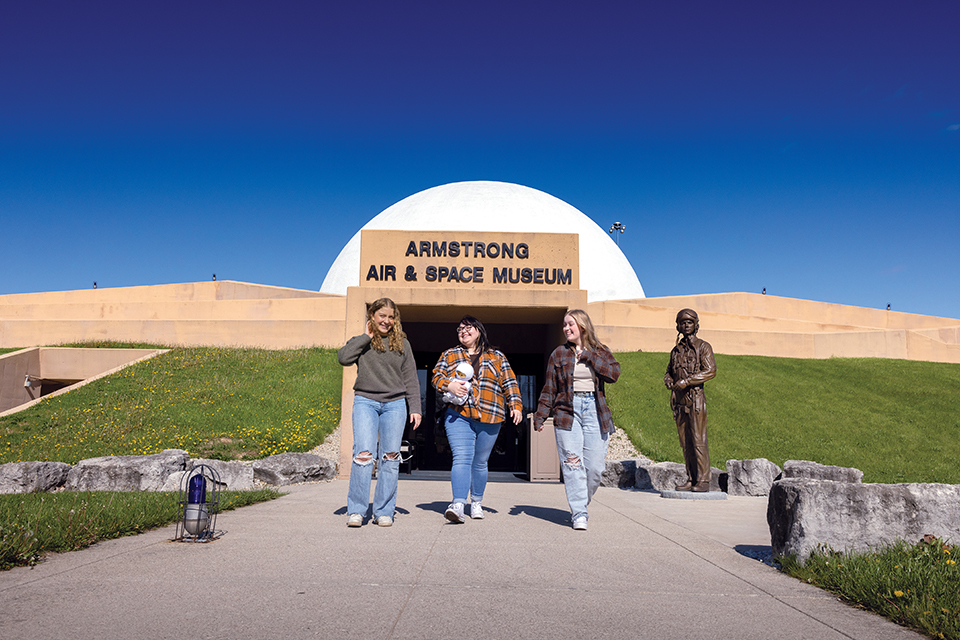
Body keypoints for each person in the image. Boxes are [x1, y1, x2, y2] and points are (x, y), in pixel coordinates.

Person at [338, 298, 422, 527]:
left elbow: (411, 378)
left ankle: (384, 511)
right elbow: (343, 358)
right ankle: (356, 510)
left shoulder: (402, 343)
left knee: (390, 457)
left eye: (391, 317)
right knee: (363, 455)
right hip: (366, 401)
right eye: (382, 316)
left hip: (395, 404)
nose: (386, 321)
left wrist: (415, 408)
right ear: (372, 317)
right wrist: (366, 336)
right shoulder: (361, 341)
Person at [534, 309, 621, 530]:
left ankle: (581, 501)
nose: (566, 328)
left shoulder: (600, 351)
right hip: (566, 411)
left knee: (594, 468)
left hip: (594, 409)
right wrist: (541, 415)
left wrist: (591, 358)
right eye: (564, 325)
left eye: (570, 324)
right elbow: (550, 387)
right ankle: (579, 513)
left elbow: (614, 374)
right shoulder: (559, 354)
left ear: (582, 326)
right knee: (573, 463)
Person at [433, 316, 522, 523]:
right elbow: (436, 376)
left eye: (468, 327)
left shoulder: (496, 356)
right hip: (459, 415)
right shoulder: (450, 354)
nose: (463, 331)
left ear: (479, 330)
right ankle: (457, 504)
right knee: (462, 457)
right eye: (459, 329)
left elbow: (509, 382)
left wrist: (515, 405)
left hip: (491, 415)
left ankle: (476, 502)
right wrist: (449, 385)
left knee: (480, 462)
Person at [663, 308, 717, 492]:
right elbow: (669, 371)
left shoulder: (703, 347)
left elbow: (710, 370)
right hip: (679, 401)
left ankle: (703, 480)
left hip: (695, 400)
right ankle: (691, 477)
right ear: (677, 326)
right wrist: (668, 380)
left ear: (696, 325)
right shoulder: (675, 350)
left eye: (689, 322)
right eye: (682, 322)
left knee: (698, 439)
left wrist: (686, 381)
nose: (685, 325)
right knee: (685, 442)